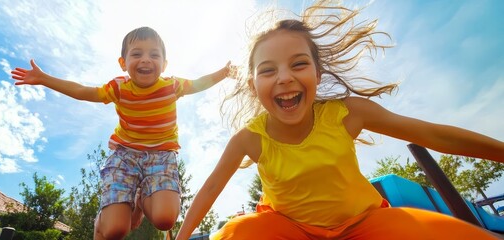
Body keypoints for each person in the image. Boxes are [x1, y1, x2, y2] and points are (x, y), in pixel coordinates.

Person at [175, 1, 504, 239]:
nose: (285, 77)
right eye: (268, 70)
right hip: (290, 229)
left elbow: (432, 134)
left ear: (317, 74)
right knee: (239, 233)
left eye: (299, 64)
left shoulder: (347, 113)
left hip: (364, 223)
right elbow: (210, 189)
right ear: (253, 85)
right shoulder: (250, 138)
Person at [11, 26, 233, 240]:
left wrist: (224, 73)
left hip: (162, 157)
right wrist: (44, 79)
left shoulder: (172, 86)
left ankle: (140, 198)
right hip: (125, 157)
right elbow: (82, 91)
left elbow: (199, 83)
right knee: (115, 231)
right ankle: (102, 223)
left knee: (165, 220)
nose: (146, 59)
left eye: (154, 55)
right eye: (137, 54)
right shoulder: (119, 88)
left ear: (164, 64)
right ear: (123, 63)